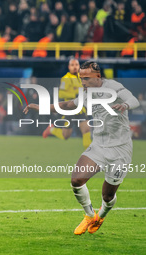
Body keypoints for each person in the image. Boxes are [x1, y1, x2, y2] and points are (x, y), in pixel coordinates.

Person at [23, 61, 140, 235]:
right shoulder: (86, 94)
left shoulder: (113, 87)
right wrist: (41, 107)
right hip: (99, 145)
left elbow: (134, 99)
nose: (83, 82)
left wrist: (125, 105)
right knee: (76, 181)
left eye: (86, 78)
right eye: (81, 78)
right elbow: (68, 105)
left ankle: (101, 215)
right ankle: (89, 215)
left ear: (97, 76)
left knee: (107, 196)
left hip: (120, 149)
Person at [42, 59, 92, 150]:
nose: (75, 67)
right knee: (66, 136)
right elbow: (61, 94)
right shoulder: (66, 79)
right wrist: (74, 94)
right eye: (72, 65)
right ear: (69, 67)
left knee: (86, 130)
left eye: (76, 65)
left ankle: (90, 156)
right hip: (69, 109)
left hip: (80, 108)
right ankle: (51, 130)